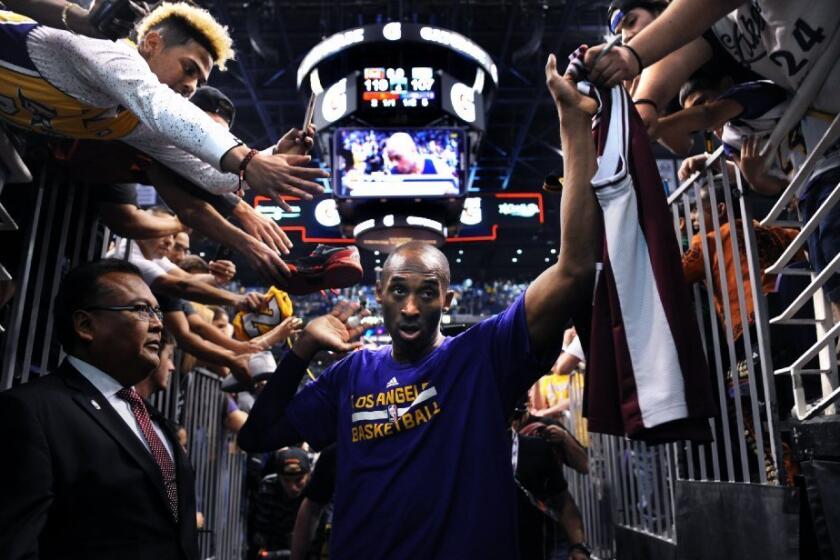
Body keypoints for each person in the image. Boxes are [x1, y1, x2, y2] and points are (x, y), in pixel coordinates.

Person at [237, 54, 600, 558]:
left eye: (427, 292)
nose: (411, 308)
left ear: (447, 300)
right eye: (399, 291)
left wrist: (572, 126)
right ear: (379, 293)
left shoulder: (481, 355)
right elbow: (259, 437)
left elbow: (576, 269)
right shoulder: (351, 374)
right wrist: (298, 351)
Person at [0, 2, 328, 205]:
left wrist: (273, 157)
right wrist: (248, 160)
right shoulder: (109, 49)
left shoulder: (131, 121)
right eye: (189, 69)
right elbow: (160, 105)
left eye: (199, 82)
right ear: (152, 43)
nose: (190, 87)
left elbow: (211, 176)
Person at [0, 259, 199, 559]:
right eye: (141, 309)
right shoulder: (31, 411)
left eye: (157, 311)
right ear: (85, 325)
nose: (158, 323)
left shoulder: (152, 419)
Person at [249, 447, 312, 559]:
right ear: (279, 477)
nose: (293, 487)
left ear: (308, 476)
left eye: (299, 480)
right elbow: (261, 535)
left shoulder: (317, 490)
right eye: (286, 480)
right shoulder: (268, 488)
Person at [383, 132, 454, 176]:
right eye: (391, 159)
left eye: (398, 157)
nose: (394, 164)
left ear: (412, 150)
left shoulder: (437, 166)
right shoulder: (392, 174)